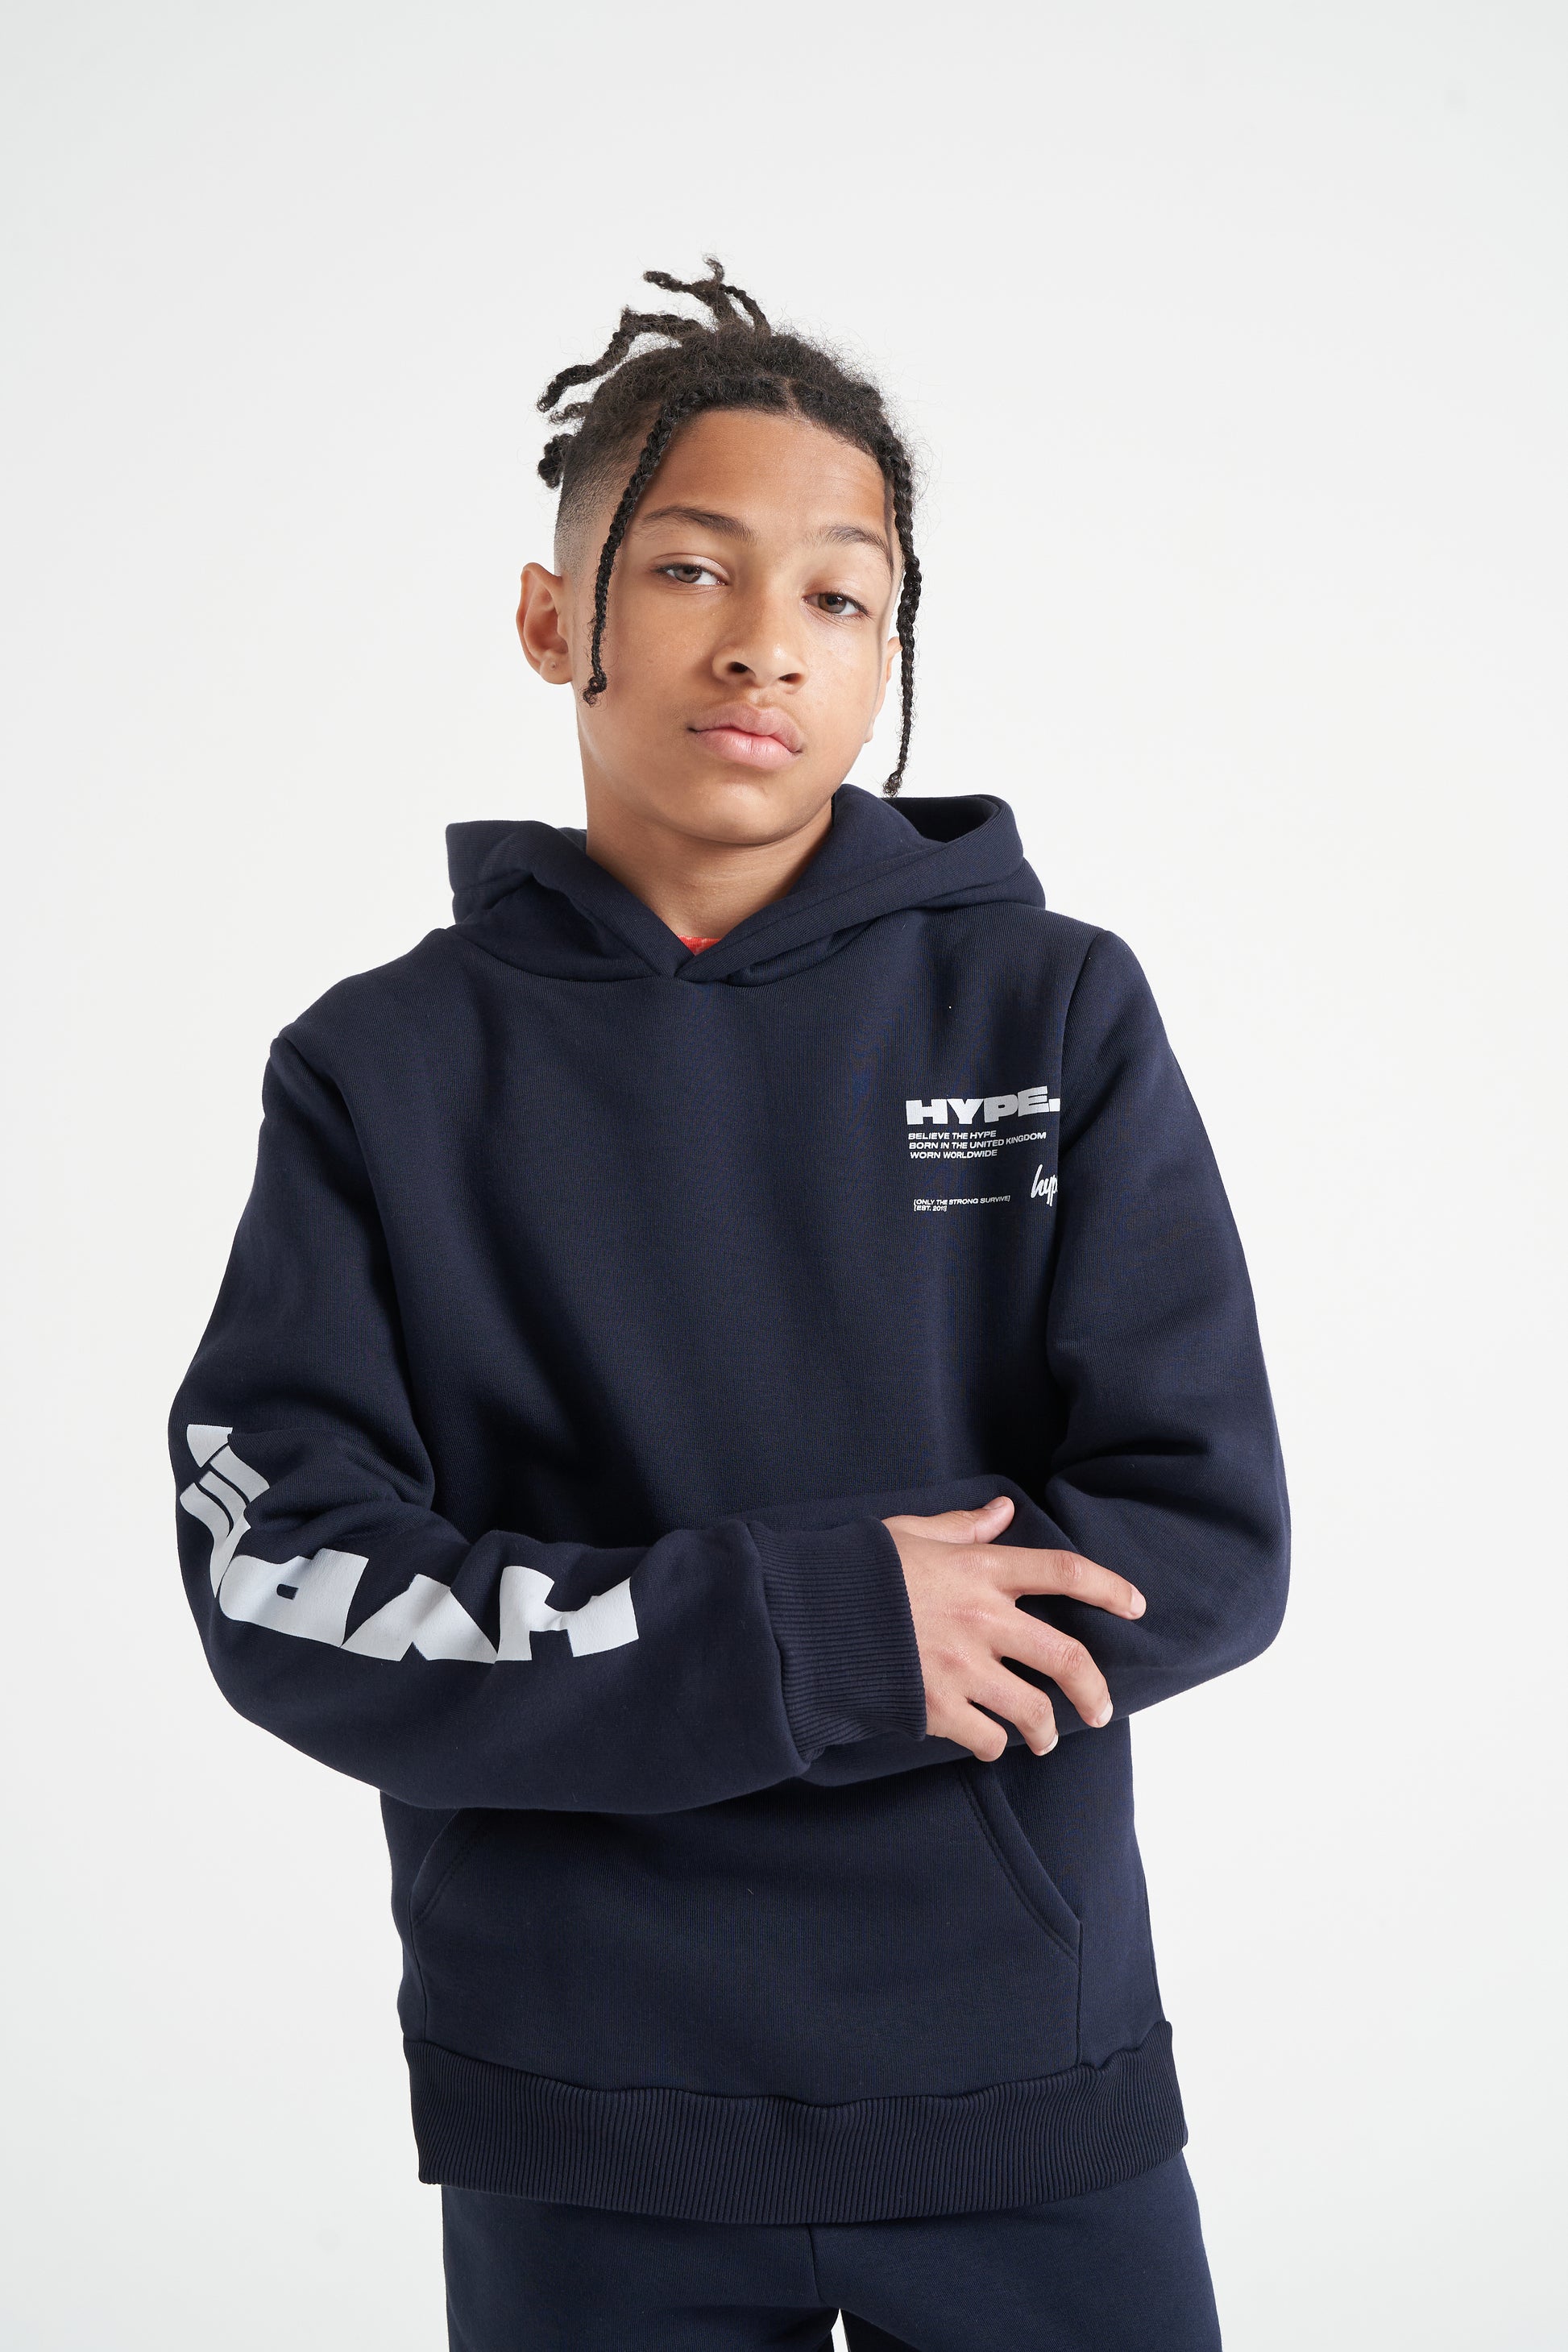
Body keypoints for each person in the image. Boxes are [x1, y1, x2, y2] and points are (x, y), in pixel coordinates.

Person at [171, 259, 1289, 2350]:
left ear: (888, 655)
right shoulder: (380, 1072)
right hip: (585, 2114)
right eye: (689, 566)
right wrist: (820, 1629)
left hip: (1019, 2088)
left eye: (842, 596)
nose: (767, 637)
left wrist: (745, 1647)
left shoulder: (1049, 1011)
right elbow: (285, 1580)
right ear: (552, 619)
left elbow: (1205, 1537)